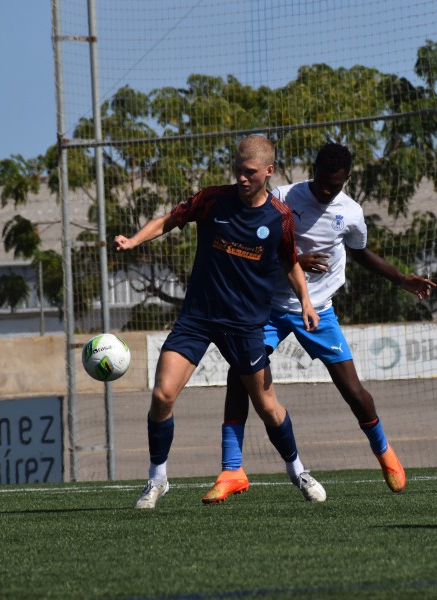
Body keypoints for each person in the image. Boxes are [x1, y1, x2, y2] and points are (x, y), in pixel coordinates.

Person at [202, 142, 436, 504]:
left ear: (347, 179)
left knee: (352, 390)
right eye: (323, 183)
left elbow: (360, 253)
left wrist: (401, 279)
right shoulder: (283, 197)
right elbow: (256, 242)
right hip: (270, 308)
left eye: (336, 185)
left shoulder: (351, 212)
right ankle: (232, 468)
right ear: (313, 172)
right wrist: (295, 259)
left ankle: (384, 451)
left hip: (319, 311)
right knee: (239, 375)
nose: (327, 191)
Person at [114, 135, 327, 508]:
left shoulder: (279, 217)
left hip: (245, 325)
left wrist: (306, 303)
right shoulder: (212, 199)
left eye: (250, 172)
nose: (242, 178)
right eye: (238, 170)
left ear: (268, 171)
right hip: (198, 318)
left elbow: (290, 262)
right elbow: (170, 219)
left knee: (268, 408)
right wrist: (134, 241)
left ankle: (297, 470)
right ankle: (157, 479)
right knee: (162, 395)